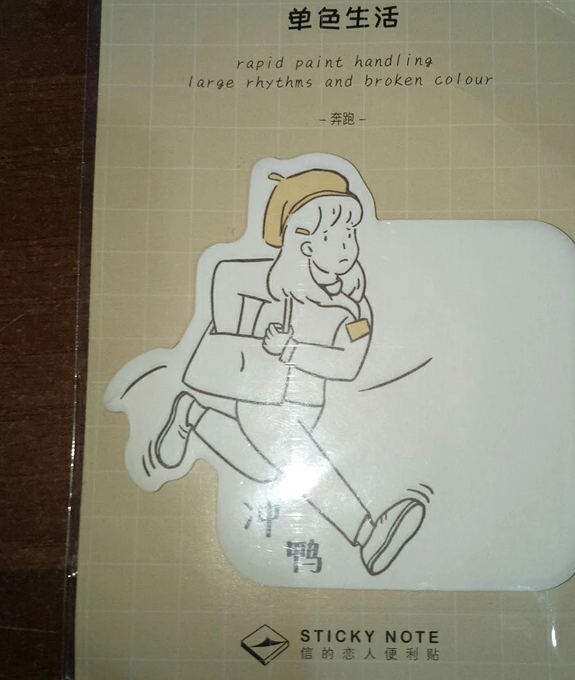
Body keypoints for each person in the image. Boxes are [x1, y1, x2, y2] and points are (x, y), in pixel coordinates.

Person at [154, 168, 425, 576]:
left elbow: (348, 365)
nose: (347, 245)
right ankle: (369, 533)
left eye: (350, 233)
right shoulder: (273, 288)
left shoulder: (356, 305)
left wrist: (291, 349)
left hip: (308, 403)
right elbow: (223, 274)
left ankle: (193, 415)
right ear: (306, 244)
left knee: (267, 470)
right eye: (334, 236)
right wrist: (237, 340)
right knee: (296, 457)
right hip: (264, 400)